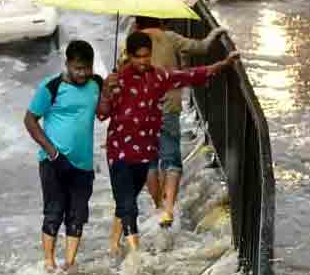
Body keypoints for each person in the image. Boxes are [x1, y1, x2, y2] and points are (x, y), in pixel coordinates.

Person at [98, 32, 239, 255]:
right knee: (128, 205)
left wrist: (223, 64)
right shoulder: (117, 80)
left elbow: (191, 75)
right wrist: (106, 91)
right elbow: (102, 114)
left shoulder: (159, 77)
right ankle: (136, 258)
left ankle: (114, 244)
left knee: (127, 201)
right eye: (138, 57)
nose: (143, 61)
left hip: (145, 152)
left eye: (146, 56)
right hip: (120, 151)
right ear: (129, 55)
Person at [121, 17, 228, 228]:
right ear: (161, 20)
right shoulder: (169, 37)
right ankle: (168, 210)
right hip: (168, 106)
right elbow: (201, 47)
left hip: (140, 110)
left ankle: (158, 206)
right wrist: (215, 33)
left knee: (149, 162)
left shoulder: (131, 42)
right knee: (170, 159)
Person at [23, 40, 103, 272]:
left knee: (77, 215)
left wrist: (110, 92)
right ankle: (49, 263)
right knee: (54, 212)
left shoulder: (96, 84)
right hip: (53, 162)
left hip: (84, 164)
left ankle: (69, 264)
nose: (82, 73)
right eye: (77, 68)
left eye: (87, 68)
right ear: (67, 63)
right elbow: (30, 120)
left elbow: (102, 113)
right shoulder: (52, 87)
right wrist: (53, 152)